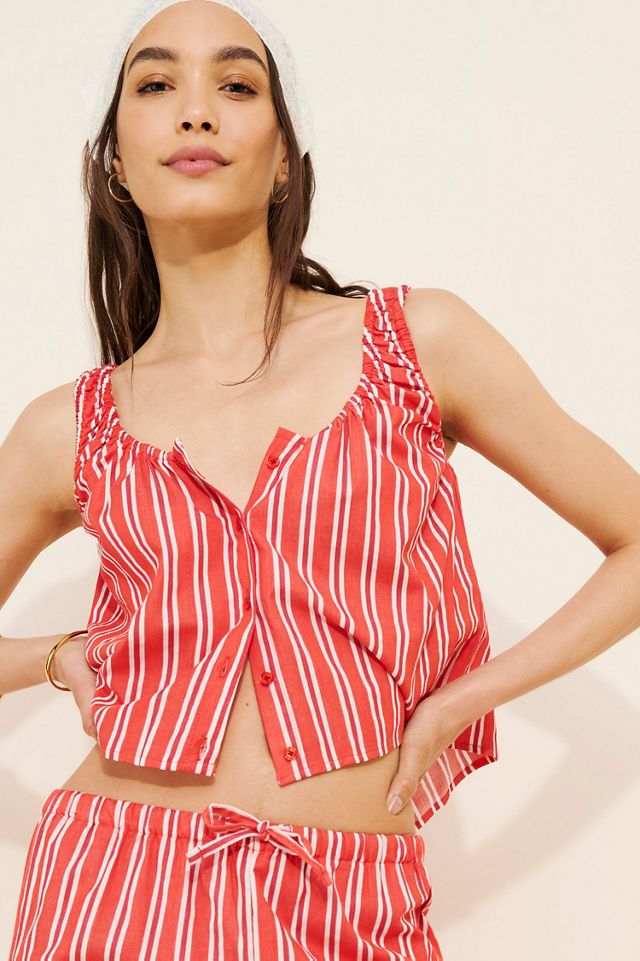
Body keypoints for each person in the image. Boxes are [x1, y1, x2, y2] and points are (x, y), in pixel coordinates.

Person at [2, 1, 639, 958]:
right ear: (116, 165)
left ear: (285, 160)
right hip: (117, 887)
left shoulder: (417, 344)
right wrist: (58, 656)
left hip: (351, 904)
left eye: (236, 84)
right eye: (157, 83)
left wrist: (460, 700)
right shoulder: (71, 425)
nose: (196, 109)